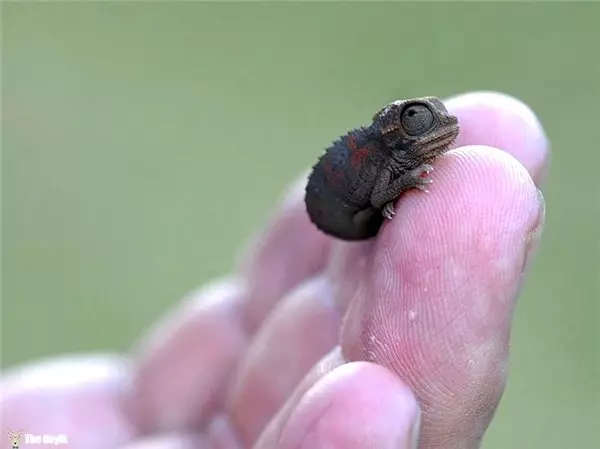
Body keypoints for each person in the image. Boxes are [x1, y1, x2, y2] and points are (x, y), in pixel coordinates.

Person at [1, 91, 549, 449]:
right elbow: (378, 190)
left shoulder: (394, 154)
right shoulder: (383, 158)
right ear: (394, 131)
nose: (438, 128)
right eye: (416, 120)